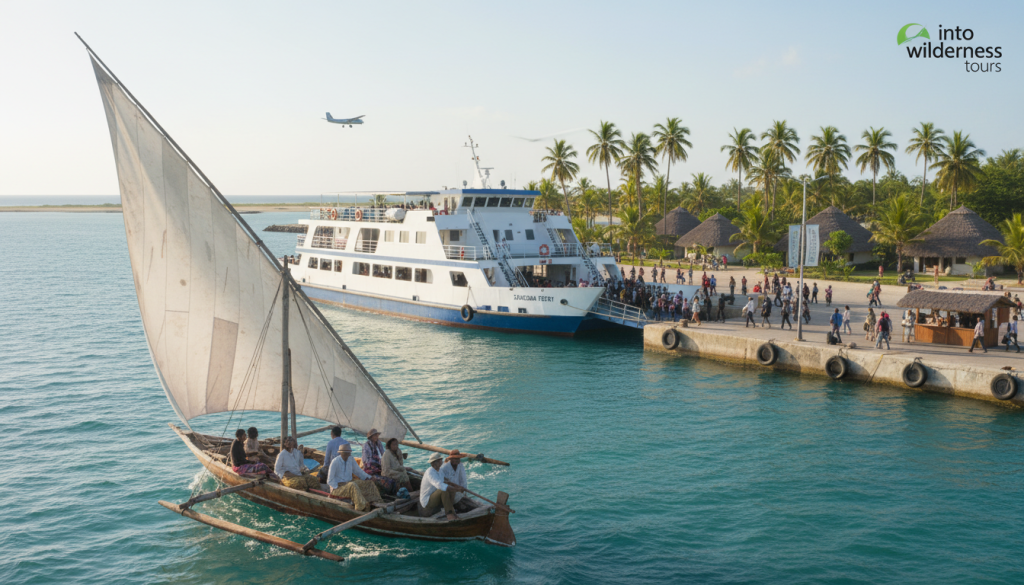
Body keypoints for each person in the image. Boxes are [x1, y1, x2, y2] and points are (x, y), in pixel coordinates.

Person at [327, 443, 382, 512]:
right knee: (352, 485)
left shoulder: (351, 459)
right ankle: (361, 507)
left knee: (369, 483)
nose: (348, 454)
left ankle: (377, 501)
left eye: (348, 452)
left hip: (349, 484)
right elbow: (330, 480)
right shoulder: (335, 462)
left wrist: (369, 477)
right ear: (341, 453)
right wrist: (339, 485)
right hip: (337, 488)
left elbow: (358, 471)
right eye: (346, 452)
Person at [419, 452, 466, 521]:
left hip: (436, 496)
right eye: (439, 460)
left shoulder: (440, 470)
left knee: (451, 490)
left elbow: (445, 480)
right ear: (433, 463)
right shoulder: (430, 472)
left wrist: (457, 487)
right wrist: (457, 489)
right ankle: (449, 514)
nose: (441, 462)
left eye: (440, 460)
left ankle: (451, 509)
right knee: (443, 490)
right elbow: (439, 485)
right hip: (427, 500)